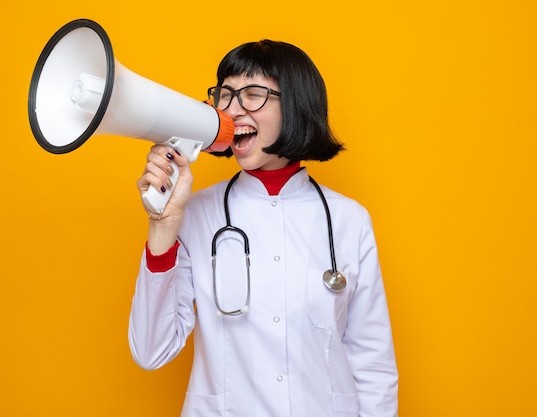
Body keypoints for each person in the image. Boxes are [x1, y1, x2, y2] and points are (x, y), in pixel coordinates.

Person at [129, 39, 398, 417]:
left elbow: (373, 363)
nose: (232, 110)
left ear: (297, 104)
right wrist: (164, 225)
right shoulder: (196, 212)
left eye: (253, 94)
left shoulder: (349, 220)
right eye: (225, 95)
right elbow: (151, 350)